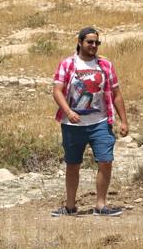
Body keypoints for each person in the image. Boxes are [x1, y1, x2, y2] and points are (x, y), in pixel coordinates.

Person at [51, 27, 128, 217]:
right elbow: (57, 90)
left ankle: (101, 205)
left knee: (105, 161)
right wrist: (68, 112)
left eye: (97, 42)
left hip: (100, 122)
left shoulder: (105, 66)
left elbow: (117, 94)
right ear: (80, 42)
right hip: (73, 125)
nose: (94, 46)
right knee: (72, 164)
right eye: (90, 42)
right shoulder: (68, 64)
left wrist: (123, 121)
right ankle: (70, 206)